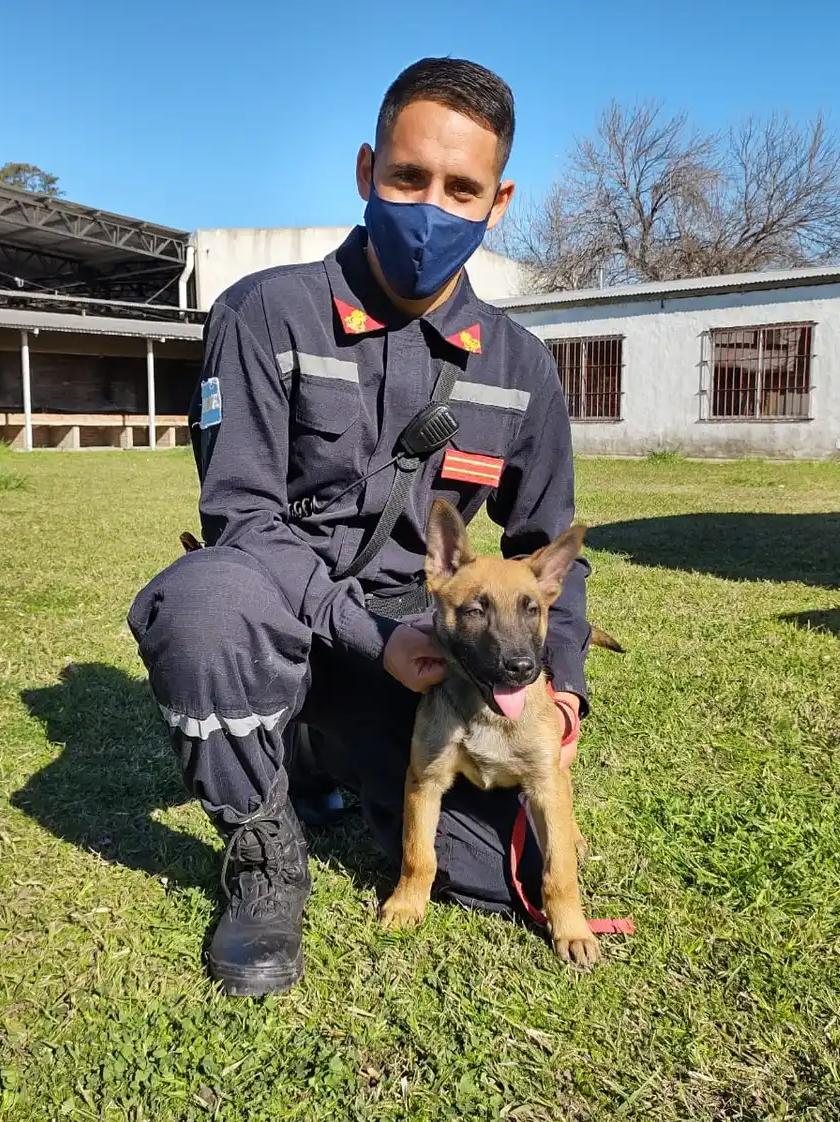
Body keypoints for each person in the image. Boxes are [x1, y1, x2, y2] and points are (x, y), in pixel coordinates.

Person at [129, 57, 591, 996]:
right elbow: (241, 516)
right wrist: (372, 637)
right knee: (202, 605)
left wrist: (566, 685)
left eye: (461, 189)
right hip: (298, 613)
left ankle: (317, 748)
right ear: (364, 172)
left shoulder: (521, 365)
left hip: (435, 656)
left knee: (488, 876)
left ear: (497, 201)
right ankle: (264, 850)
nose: (431, 207)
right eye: (407, 178)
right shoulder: (265, 315)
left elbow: (552, 547)